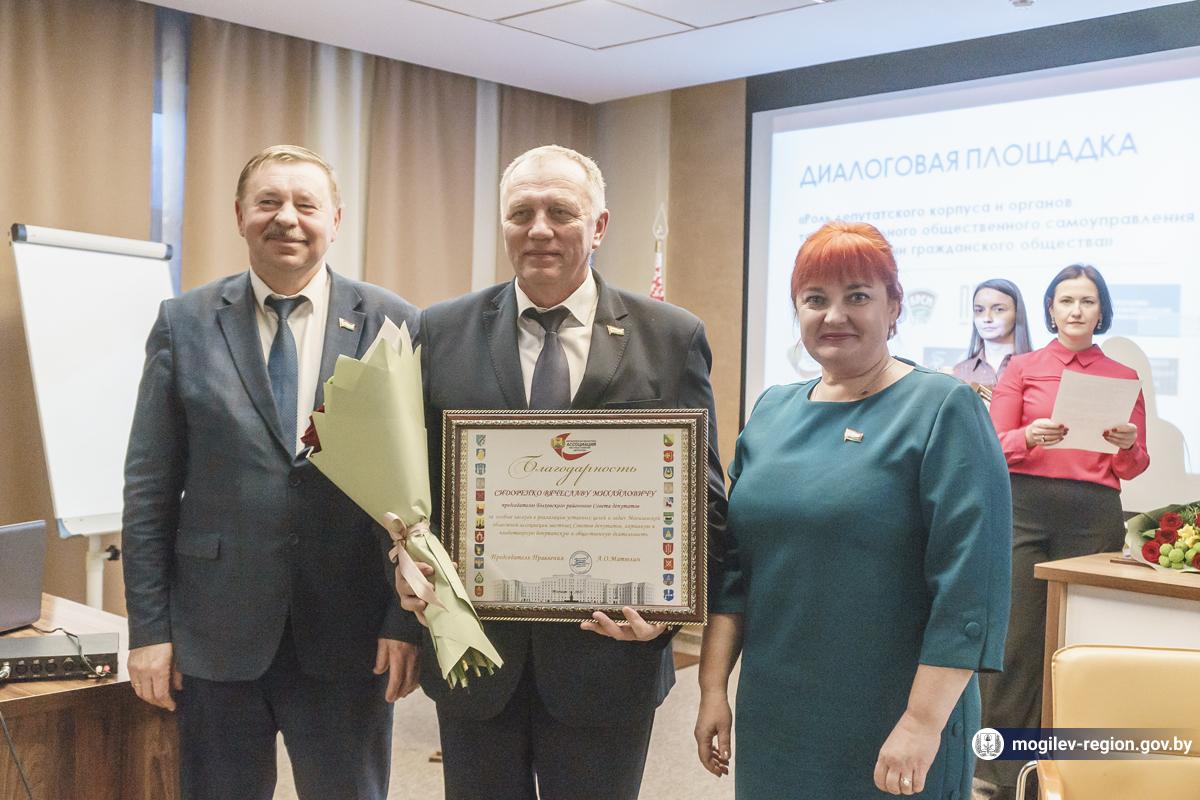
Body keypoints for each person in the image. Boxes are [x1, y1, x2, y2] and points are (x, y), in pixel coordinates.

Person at [400, 144, 728, 800]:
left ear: (599, 226)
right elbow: (413, 487)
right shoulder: (440, 330)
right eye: (521, 213)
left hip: (609, 660)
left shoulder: (670, 336)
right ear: (503, 225)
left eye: (561, 212)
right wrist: (406, 559)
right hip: (475, 656)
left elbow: (704, 497)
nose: (540, 229)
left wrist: (669, 611)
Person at [122, 144, 422, 800]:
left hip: (351, 633)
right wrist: (150, 632)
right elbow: (149, 490)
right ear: (240, 215)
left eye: (305, 204)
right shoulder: (184, 323)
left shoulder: (394, 322)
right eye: (268, 202)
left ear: (335, 220)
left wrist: (406, 621)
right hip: (215, 633)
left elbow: (419, 489)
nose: (287, 217)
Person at [695, 221, 1012, 798]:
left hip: (897, 714)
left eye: (858, 296)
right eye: (815, 299)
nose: (834, 315)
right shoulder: (772, 411)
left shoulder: (943, 407)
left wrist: (921, 723)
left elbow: (971, 587)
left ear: (894, 308)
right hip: (777, 710)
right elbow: (736, 569)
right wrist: (713, 687)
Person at [977, 264, 1149, 799]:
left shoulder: (1122, 376)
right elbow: (993, 444)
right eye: (1066, 300)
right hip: (1023, 508)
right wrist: (1029, 435)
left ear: (1102, 311)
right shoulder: (1023, 366)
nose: (1076, 310)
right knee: (1016, 642)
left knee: (1080, 642)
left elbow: (1135, 465)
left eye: (1087, 301)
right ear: (1050, 309)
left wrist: (1127, 445)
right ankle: (1000, 772)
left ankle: (1070, 770)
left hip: (1093, 513)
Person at [952, 278, 1033, 401]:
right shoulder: (959, 372)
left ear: (1017, 313)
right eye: (979, 310)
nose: (987, 318)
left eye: (998, 309)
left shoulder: (1036, 369)